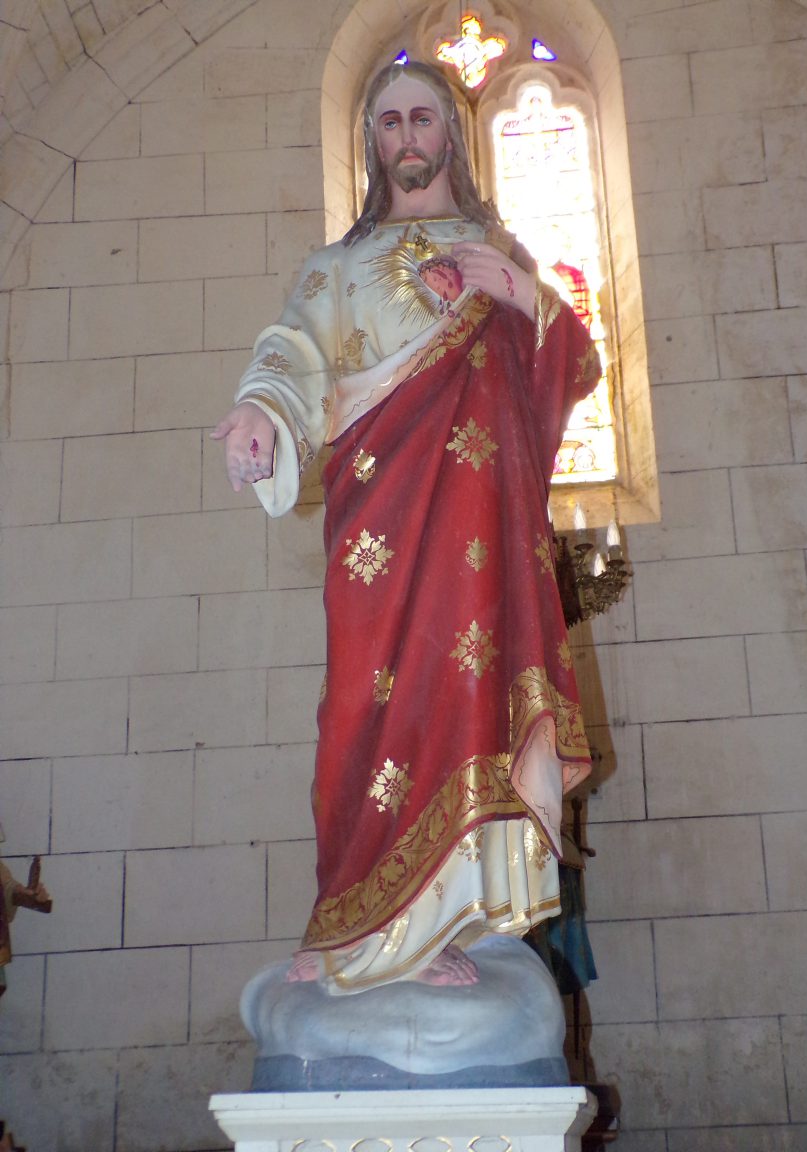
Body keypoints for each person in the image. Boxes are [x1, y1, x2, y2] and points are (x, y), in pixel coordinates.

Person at [213, 60, 601, 995]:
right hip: (378, 533)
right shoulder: (336, 268)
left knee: (462, 704)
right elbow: (289, 353)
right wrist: (261, 415)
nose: (407, 137)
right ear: (372, 143)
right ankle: (351, 915)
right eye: (389, 123)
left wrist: (518, 291)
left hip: (478, 542)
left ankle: (439, 929)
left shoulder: (494, 250)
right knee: (359, 706)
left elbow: (571, 369)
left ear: (450, 136)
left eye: (423, 119)